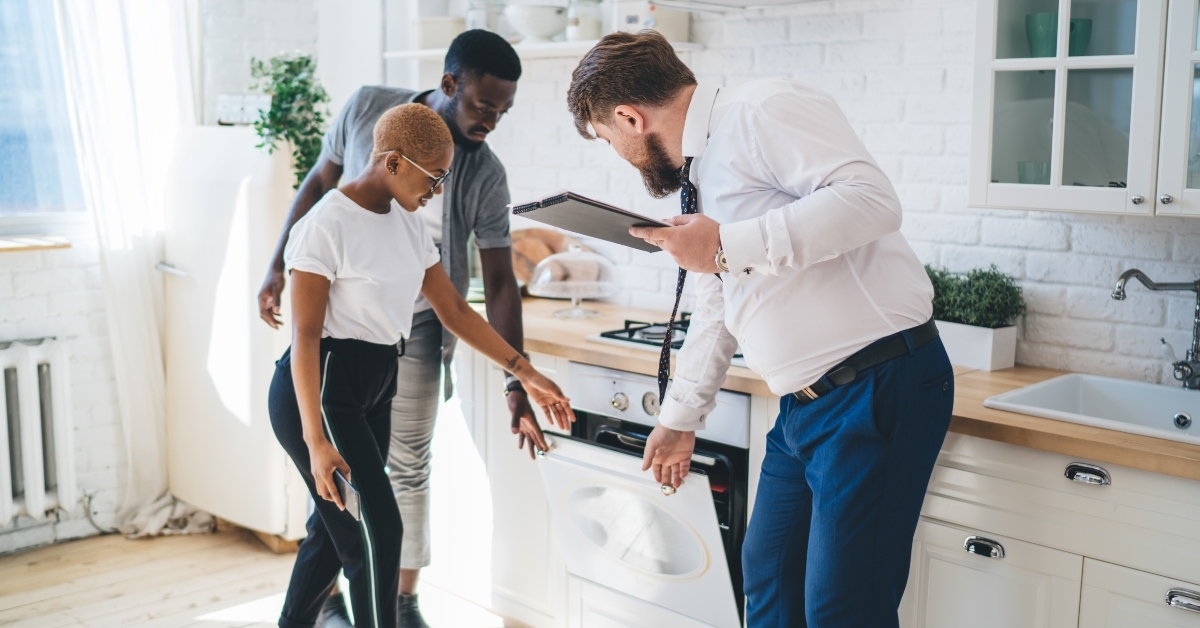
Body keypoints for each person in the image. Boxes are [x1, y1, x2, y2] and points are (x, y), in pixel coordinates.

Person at [566, 31, 955, 627]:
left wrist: (723, 244)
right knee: (768, 582)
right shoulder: (704, 171)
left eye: (608, 140)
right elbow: (719, 309)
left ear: (628, 117)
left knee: (842, 610)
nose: (619, 152)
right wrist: (678, 420)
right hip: (803, 409)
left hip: (876, 386)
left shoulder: (761, 110)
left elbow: (872, 201)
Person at [257, 30, 531, 627]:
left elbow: (460, 307)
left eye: (443, 178)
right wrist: (314, 439)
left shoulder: (415, 221)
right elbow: (305, 337)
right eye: (432, 178)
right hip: (329, 378)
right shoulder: (330, 219)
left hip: (384, 367)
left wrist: (523, 373)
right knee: (372, 531)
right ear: (390, 162)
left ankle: (317, 617)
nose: (438, 190)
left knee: (341, 528)